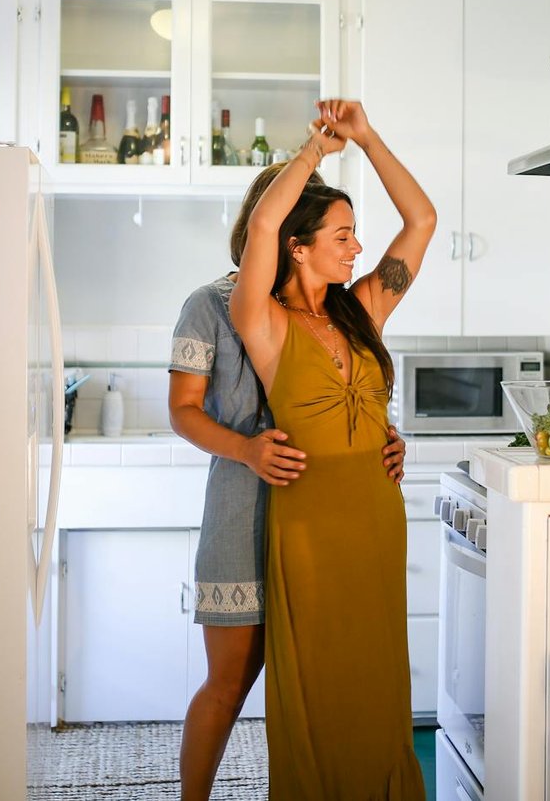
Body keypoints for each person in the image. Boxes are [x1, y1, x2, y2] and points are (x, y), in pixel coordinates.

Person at [169, 162, 407, 801]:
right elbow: (182, 411)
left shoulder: (336, 310)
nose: (347, 242)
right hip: (243, 512)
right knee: (230, 682)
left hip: (322, 520)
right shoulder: (212, 305)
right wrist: (246, 449)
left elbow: (348, 389)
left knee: (328, 685)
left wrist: (380, 437)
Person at [229, 99, 436, 800]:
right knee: (319, 681)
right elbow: (262, 220)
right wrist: (316, 151)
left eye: (356, 236)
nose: (357, 249)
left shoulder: (365, 307)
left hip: (376, 516)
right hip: (310, 524)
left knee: (379, 679)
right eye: (342, 236)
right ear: (299, 246)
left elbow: (423, 221)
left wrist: (369, 137)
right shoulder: (264, 322)